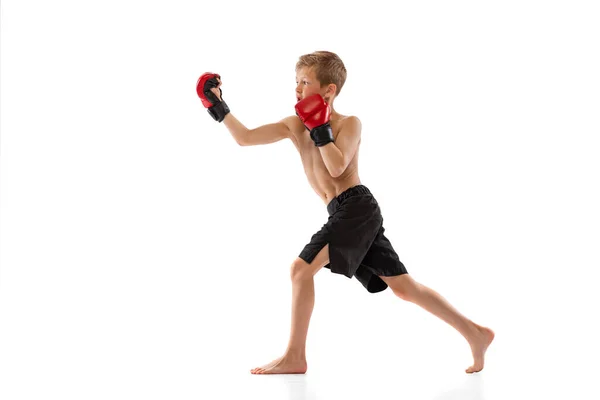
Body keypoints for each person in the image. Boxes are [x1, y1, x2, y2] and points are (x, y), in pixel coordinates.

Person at [196, 51, 494, 375]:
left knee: (300, 270)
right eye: (295, 81)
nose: (297, 88)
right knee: (405, 288)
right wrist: (218, 104)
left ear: (329, 90)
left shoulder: (349, 123)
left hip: (356, 206)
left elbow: (337, 167)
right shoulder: (294, 126)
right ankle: (475, 333)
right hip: (341, 211)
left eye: (305, 82)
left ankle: (295, 356)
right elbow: (246, 138)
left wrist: (320, 127)